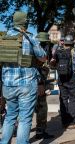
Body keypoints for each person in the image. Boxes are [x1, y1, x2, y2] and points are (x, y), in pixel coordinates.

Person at [0, 11, 47, 143]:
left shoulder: (3, 38)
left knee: (10, 116)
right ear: (25, 22)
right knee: (25, 118)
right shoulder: (29, 37)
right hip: (26, 84)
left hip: (8, 84)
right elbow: (43, 57)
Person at [52, 35, 75, 129]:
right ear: (72, 42)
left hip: (61, 78)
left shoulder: (58, 51)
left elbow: (53, 63)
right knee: (73, 98)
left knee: (63, 98)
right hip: (72, 78)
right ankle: (72, 121)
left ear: (64, 42)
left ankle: (64, 121)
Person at [34, 32, 54, 139]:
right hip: (38, 84)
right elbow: (39, 70)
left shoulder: (31, 49)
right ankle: (40, 131)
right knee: (42, 107)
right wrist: (41, 83)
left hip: (30, 84)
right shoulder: (40, 53)